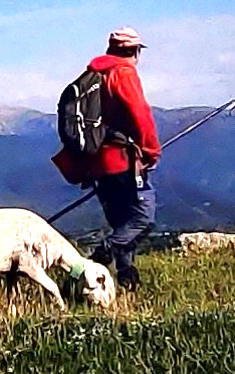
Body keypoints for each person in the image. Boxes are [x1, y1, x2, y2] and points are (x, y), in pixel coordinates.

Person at [54, 26, 161, 291]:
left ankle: (127, 279)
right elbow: (141, 114)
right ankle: (99, 256)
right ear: (135, 51)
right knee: (143, 216)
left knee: (121, 221)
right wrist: (151, 150)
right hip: (122, 160)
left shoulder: (94, 75)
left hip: (96, 163)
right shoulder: (123, 74)